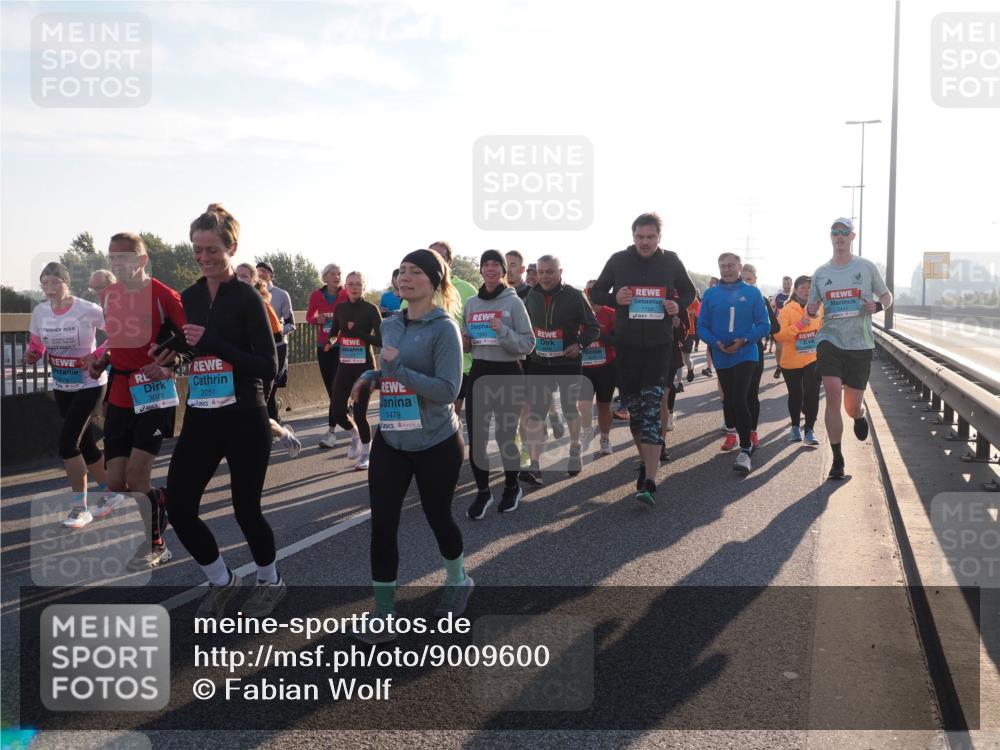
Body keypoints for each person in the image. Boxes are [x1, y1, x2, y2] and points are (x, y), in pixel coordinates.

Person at [165, 204, 282, 619]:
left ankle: (270, 580)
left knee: (246, 510)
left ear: (232, 247)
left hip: (245, 415)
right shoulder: (191, 296)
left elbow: (268, 366)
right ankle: (221, 579)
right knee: (179, 507)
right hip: (201, 415)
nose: (203, 257)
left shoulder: (248, 297)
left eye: (212, 250)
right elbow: (190, 348)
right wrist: (168, 360)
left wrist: (213, 343)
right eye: (197, 250)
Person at [348, 248, 470, 643]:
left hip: (437, 441)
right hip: (393, 438)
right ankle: (384, 613)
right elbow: (389, 372)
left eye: (416, 271)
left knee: (438, 517)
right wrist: (372, 376)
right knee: (382, 525)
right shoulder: (391, 325)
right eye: (402, 271)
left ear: (435, 281)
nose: (405, 277)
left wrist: (398, 370)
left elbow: (448, 390)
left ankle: (459, 579)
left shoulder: (444, 328)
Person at [86, 232, 187, 569]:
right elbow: (117, 341)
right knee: (116, 481)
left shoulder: (164, 295)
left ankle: (156, 544)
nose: (116, 263)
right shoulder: (110, 296)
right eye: (112, 257)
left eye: (123, 258)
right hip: (119, 392)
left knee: (137, 477)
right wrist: (104, 360)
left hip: (153, 394)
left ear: (142, 260)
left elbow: (191, 340)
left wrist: (170, 365)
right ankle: (159, 500)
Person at [590, 212, 696, 505]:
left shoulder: (671, 261)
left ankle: (649, 479)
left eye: (650, 237)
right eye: (640, 237)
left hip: (659, 347)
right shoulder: (618, 260)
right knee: (636, 413)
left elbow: (689, 291)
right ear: (633, 236)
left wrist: (677, 304)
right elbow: (596, 291)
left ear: (659, 237)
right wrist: (615, 298)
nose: (645, 242)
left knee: (651, 408)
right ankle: (645, 462)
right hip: (627, 348)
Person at [26, 262, 122, 527]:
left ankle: (80, 508)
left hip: (90, 384)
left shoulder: (87, 309)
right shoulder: (40, 312)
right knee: (86, 444)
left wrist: (98, 354)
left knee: (68, 444)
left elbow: (116, 333)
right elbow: (37, 344)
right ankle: (110, 492)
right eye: (45, 283)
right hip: (61, 385)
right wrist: (33, 354)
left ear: (67, 284)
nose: (50, 288)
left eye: (55, 282)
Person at [807, 217, 892, 480]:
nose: (840, 236)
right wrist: (812, 310)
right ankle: (838, 460)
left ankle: (859, 415)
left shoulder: (865, 267)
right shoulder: (821, 273)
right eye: (835, 232)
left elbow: (887, 296)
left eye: (844, 232)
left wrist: (878, 306)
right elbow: (812, 309)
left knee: (851, 406)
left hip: (860, 344)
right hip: (829, 340)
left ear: (852, 237)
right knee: (832, 393)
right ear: (830, 236)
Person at [461, 250, 535, 518]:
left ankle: (512, 487)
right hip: (480, 371)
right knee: (477, 439)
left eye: (496, 265)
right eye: (486, 265)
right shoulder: (471, 304)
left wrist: (502, 330)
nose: (490, 269)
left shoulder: (514, 303)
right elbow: (469, 345)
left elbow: (528, 343)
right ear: (480, 270)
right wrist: (465, 343)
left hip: (508, 372)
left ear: (503, 271)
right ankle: (483, 492)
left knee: (505, 436)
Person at [520, 255, 599, 482]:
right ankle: (535, 465)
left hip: (567, 362)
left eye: (550, 271)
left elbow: (593, 327)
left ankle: (575, 449)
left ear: (560, 272)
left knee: (569, 408)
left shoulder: (575, 296)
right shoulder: (531, 296)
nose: (545, 276)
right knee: (536, 412)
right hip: (539, 362)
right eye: (541, 272)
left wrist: (579, 344)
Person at [697, 253, 771, 474]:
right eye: (723, 266)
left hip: (746, 353)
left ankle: (746, 450)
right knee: (729, 399)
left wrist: (745, 339)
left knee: (740, 398)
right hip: (721, 355)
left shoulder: (752, 293)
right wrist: (715, 343)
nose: (727, 269)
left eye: (731, 265)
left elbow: (764, 325)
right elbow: (701, 326)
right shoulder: (710, 294)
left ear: (739, 266)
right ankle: (736, 435)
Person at [236, 263, 301, 459]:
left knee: (257, 410)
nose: (240, 280)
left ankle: (281, 435)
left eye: (245, 276)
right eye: (237, 275)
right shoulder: (228, 301)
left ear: (254, 280)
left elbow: (278, 335)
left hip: (262, 362)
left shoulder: (263, 303)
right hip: (237, 364)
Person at [329, 271, 382, 470]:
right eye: (350, 284)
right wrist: (330, 341)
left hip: (364, 367)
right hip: (345, 366)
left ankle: (366, 454)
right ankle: (355, 436)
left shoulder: (371, 309)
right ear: (345, 286)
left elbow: (380, 340)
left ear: (363, 287)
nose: (354, 287)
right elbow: (334, 332)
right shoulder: (340, 308)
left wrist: (358, 332)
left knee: (360, 414)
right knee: (337, 411)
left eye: (358, 284)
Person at [428, 241, 478, 418]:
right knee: (432, 420)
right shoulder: (417, 287)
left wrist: (468, 339)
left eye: (440, 257)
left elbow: (478, 325)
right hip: (427, 366)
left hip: (461, 365)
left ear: (450, 262)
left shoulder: (467, 289)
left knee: (450, 418)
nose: (435, 261)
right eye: (431, 256)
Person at [775, 275, 822, 445]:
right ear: (796, 290)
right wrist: (800, 325)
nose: (806, 291)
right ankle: (795, 427)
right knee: (796, 395)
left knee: (812, 394)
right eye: (802, 287)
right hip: (791, 361)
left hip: (812, 359)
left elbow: (823, 330)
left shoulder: (820, 308)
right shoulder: (787, 310)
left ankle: (809, 430)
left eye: (809, 288)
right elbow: (779, 335)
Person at [739, 263, 781, 451]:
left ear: (755, 279)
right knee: (734, 396)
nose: (745, 282)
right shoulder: (729, 297)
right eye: (742, 279)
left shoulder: (760, 299)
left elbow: (775, 327)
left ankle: (752, 432)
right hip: (732, 352)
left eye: (749, 279)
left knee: (751, 394)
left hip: (754, 351)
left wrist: (754, 330)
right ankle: (733, 431)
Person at [307, 264, 348, 448]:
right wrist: (318, 319)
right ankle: (343, 410)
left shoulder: (346, 294)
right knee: (331, 389)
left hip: (342, 346)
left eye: (339, 274)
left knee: (336, 389)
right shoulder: (316, 295)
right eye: (332, 274)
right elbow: (309, 317)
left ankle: (331, 432)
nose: (336, 276)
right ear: (325, 277)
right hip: (323, 346)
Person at [578, 280, 617, 456]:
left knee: (604, 406)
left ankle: (605, 438)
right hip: (584, 368)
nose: (590, 295)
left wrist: (599, 335)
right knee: (583, 405)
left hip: (606, 366)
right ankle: (587, 431)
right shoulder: (578, 313)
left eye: (594, 291)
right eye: (588, 291)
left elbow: (618, 340)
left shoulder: (610, 314)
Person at [255, 261, 295, 421]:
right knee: (262, 388)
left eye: (264, 271)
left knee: (271, 387)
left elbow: (291, 323)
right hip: (257, 348)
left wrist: (275, 332)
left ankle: (272, 423)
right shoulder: (249, 292)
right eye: (258, 271)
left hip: (278, 346)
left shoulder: (281, 294)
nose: (260, 274)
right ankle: (271, 421)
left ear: (271, 275)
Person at [772, 275, 793, 377]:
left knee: (790, 347)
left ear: (791, 284)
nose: (786, 286)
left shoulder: (794, 295)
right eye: (784, 283)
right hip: (779, 325)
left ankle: (789, 366)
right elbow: (772, 308)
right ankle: (778, 366)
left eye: (788, 283)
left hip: (791, 326)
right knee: (779, 347)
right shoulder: (777, 295)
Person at [702, 276, 720, 377]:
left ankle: (718, 369)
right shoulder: (707, 294)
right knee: (709, 347)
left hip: (719, 326)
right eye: (710, 282)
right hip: (710, 325)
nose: (711, 284)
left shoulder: (721, 294)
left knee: (717, 348)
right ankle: (709, 368)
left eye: (714, 282)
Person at [684, 289, 700, 381]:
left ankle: (690, 368)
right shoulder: (673, 294)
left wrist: (689, 312)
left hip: (689, 332)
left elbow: (698, 313)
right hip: (675, 332)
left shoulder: (693, 299)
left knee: (686, 359)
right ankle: (679, 383)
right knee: (675, 360)